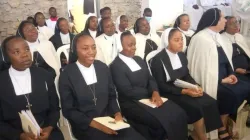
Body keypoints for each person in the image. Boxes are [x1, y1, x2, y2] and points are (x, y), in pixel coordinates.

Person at [59, 33, 146, 140]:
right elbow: (68, 110)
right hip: (86, 125)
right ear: (75, 51)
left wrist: (117, 114)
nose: (91, 52)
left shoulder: (102, 67)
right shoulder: (66, 75)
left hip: (109, 119)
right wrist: (98, 125)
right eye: (85, 48)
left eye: (93, 47)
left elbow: (111, 95)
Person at [110, 31, 188, 140]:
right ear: (120, 46)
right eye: (130, 45)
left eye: (134, 44)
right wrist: (150, 93)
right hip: (131, 103)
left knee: (179, 113)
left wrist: (155, 92)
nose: (134, 48)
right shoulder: (115, 66)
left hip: (150, 98)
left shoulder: (138, 59)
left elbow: (150, 78)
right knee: (160, 121)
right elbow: (127, 91)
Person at [187, 8, 250, 139]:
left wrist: (231, 74)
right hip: (210, 81)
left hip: (224, 77)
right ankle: (221, 126)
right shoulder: (201, 39)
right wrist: (221, 80)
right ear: (214, 20)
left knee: (245, 87)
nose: (225, 20)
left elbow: (227, 60)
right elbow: (201, 70)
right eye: (222, 18)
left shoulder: (216, 37)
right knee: (230, 95)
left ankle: (225, 123)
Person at [151, 28, 223, 140]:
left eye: (181, 39)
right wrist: (184, 91)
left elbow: (186, 75)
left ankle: (200, 134)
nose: (181, 42)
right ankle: (202, 137)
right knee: (195, 108)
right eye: (176, 40)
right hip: (169, 92)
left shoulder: (181, 55)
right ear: (167, 41)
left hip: (185, 88)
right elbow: (161, 85)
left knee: (210, 102)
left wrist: (196, 86)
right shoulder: (158, 60)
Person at [0, 36, 64, 140]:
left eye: (27, 49)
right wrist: (19, 136)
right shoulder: (2, 81)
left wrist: (49, 128)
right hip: (12, 134)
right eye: (17, 52)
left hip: (46, 130)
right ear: (6, 57)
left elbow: (55, 109)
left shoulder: (44, 75)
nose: (25, 55)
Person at [221, 16, 250, 127]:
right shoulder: (221, 39)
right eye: (232, 23)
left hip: (246, 69)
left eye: (237, 22)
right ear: (225, 26)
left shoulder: (239, 37)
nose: (236, 25)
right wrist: (235, 70)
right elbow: (225, 60)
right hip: (234, 72)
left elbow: (246, 53)